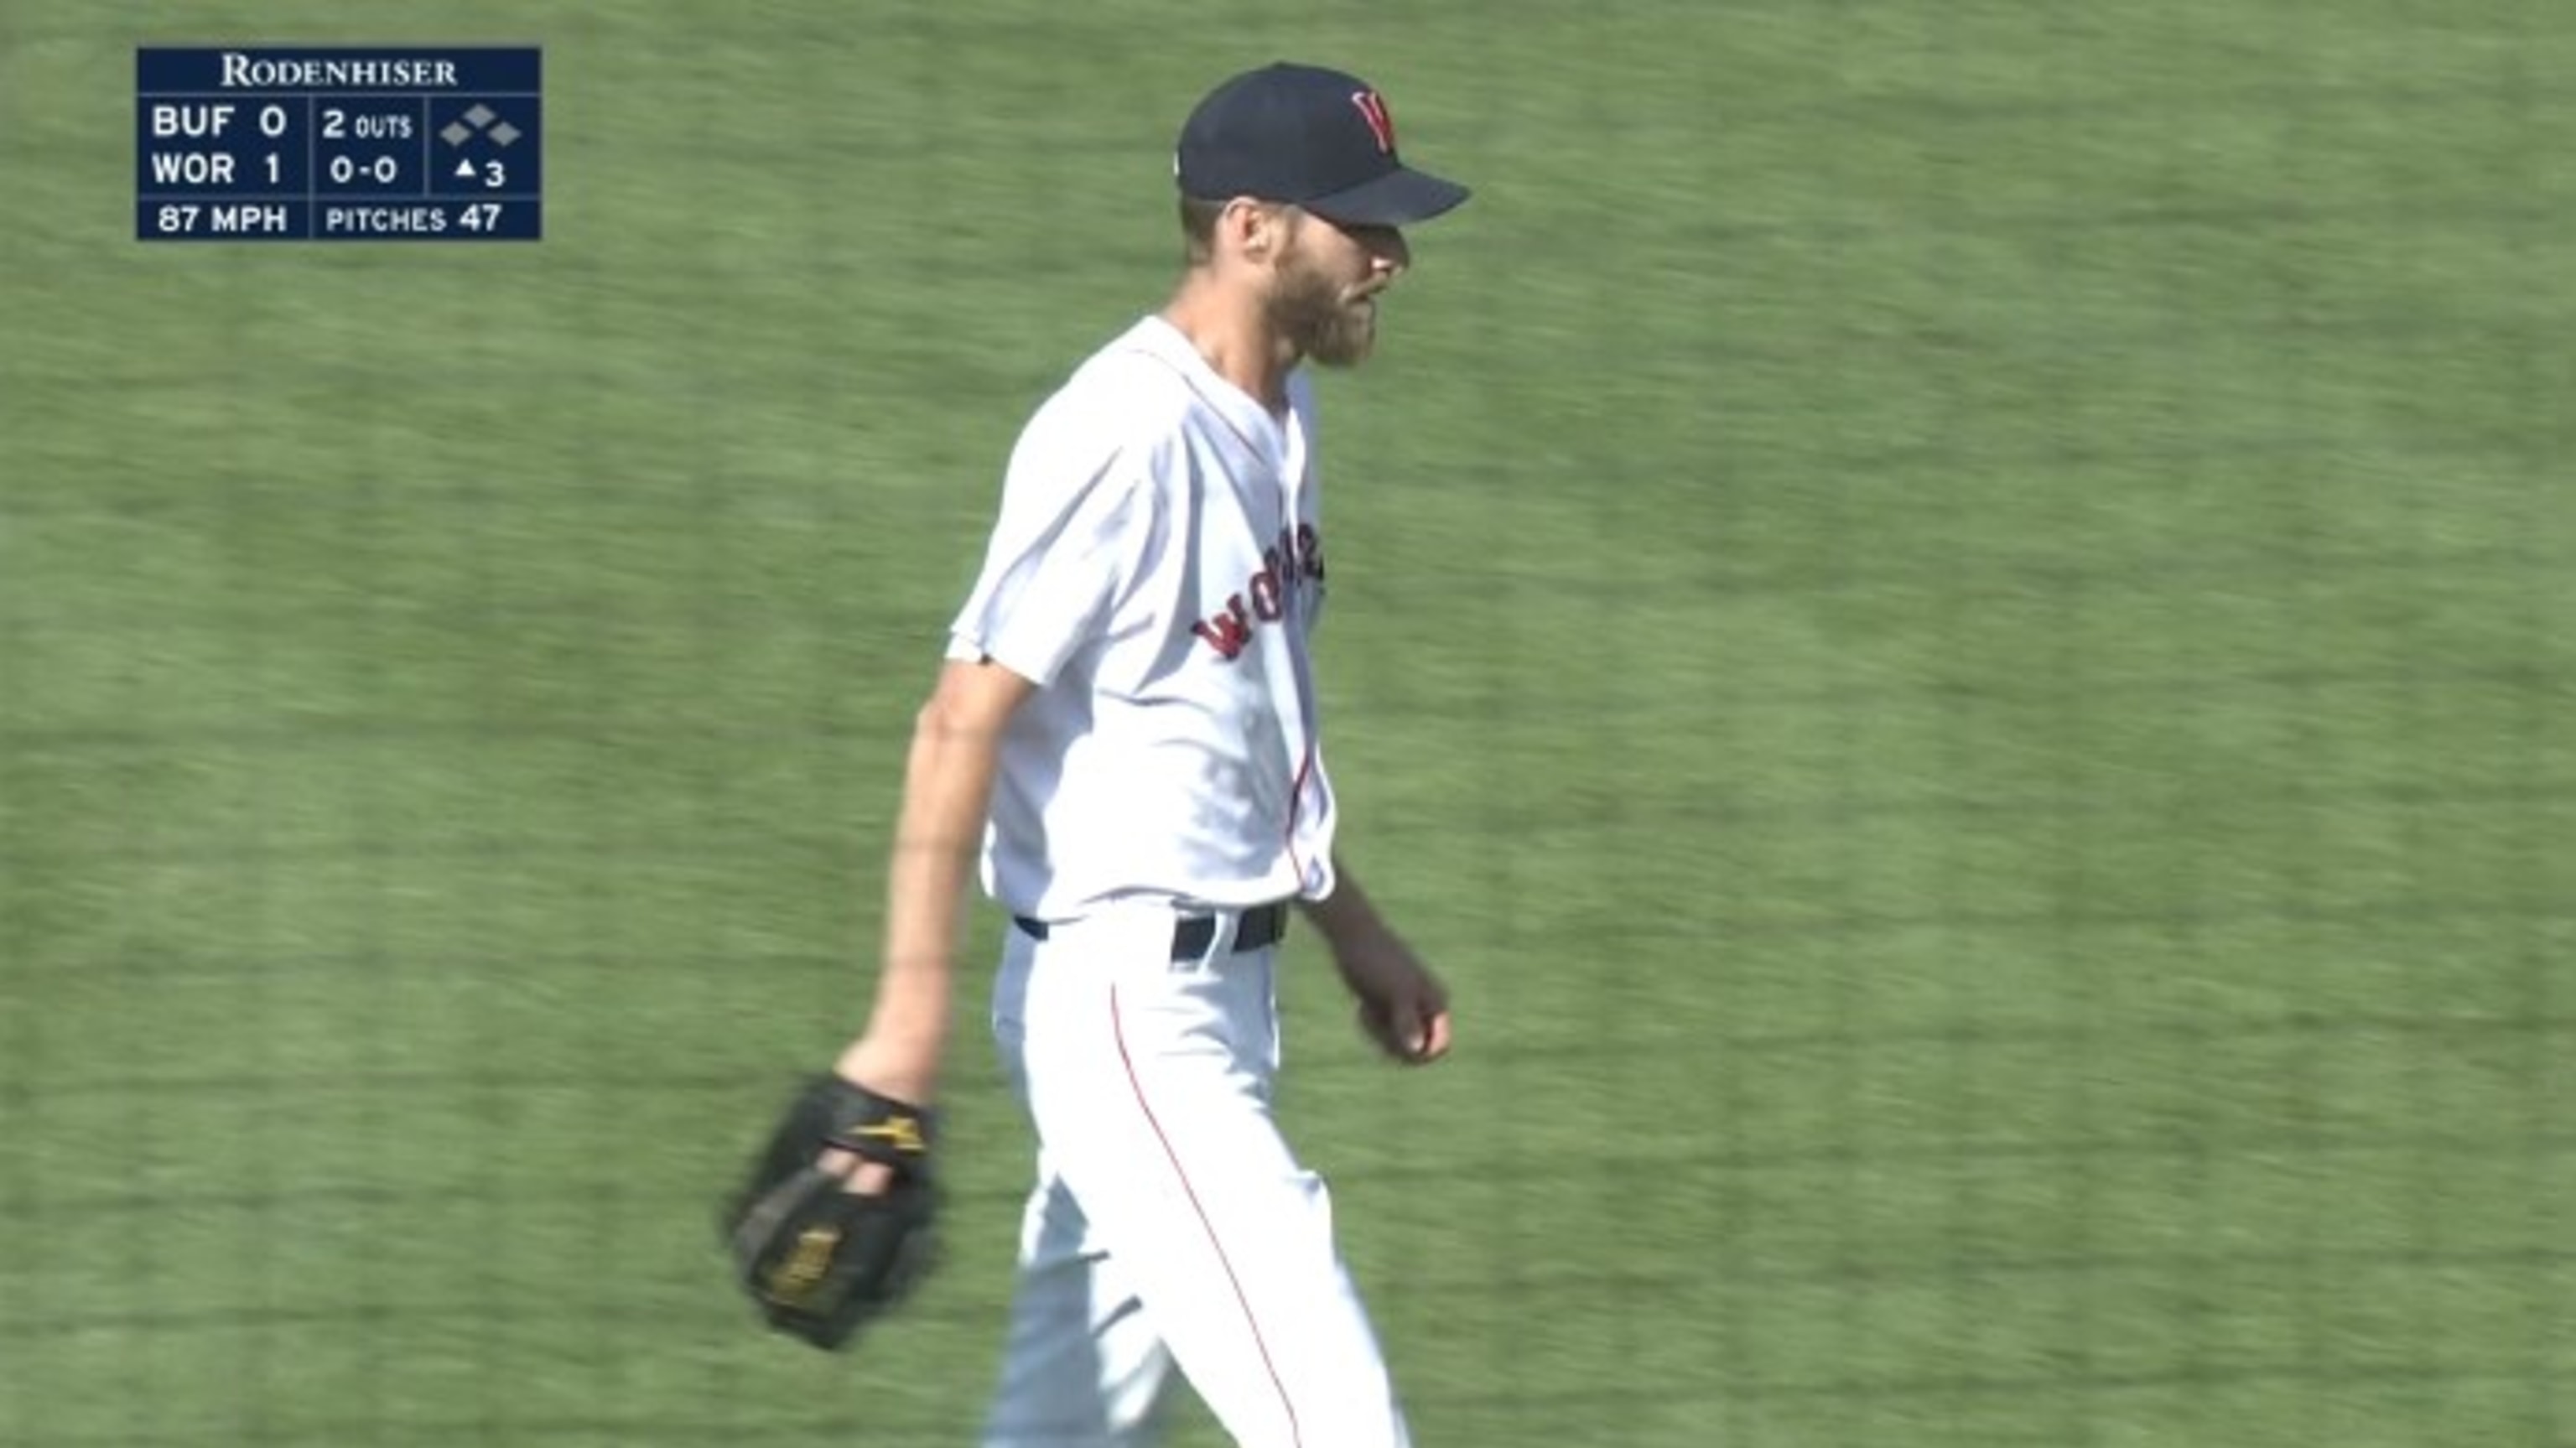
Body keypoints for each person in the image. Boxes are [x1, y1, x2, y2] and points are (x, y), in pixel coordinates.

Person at [827, 60, 1472, 1447]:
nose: (1391, 259)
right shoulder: (1126, 434)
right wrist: (904, 1031)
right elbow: (959, 718)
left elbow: (1230, 727)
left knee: (1061, 1432)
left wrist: (1350, 925)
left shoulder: (1276, 414)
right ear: (1251, 229)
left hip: (1219, 1008)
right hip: (1127, 1014)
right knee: (1341, 1427)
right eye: (1359, 226)